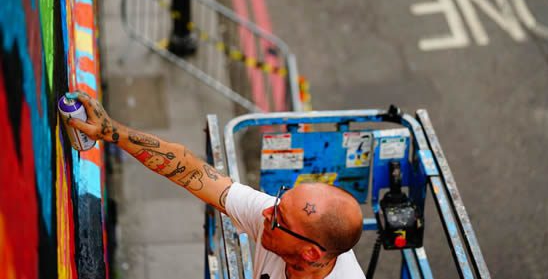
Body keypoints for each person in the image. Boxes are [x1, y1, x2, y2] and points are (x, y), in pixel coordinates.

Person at [67, 92, 366, 279]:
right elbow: (189, 171)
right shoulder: (274, 220)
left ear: (311, 253)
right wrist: (112, 132)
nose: (266, 213)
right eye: (279, 201)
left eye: (279, 217)